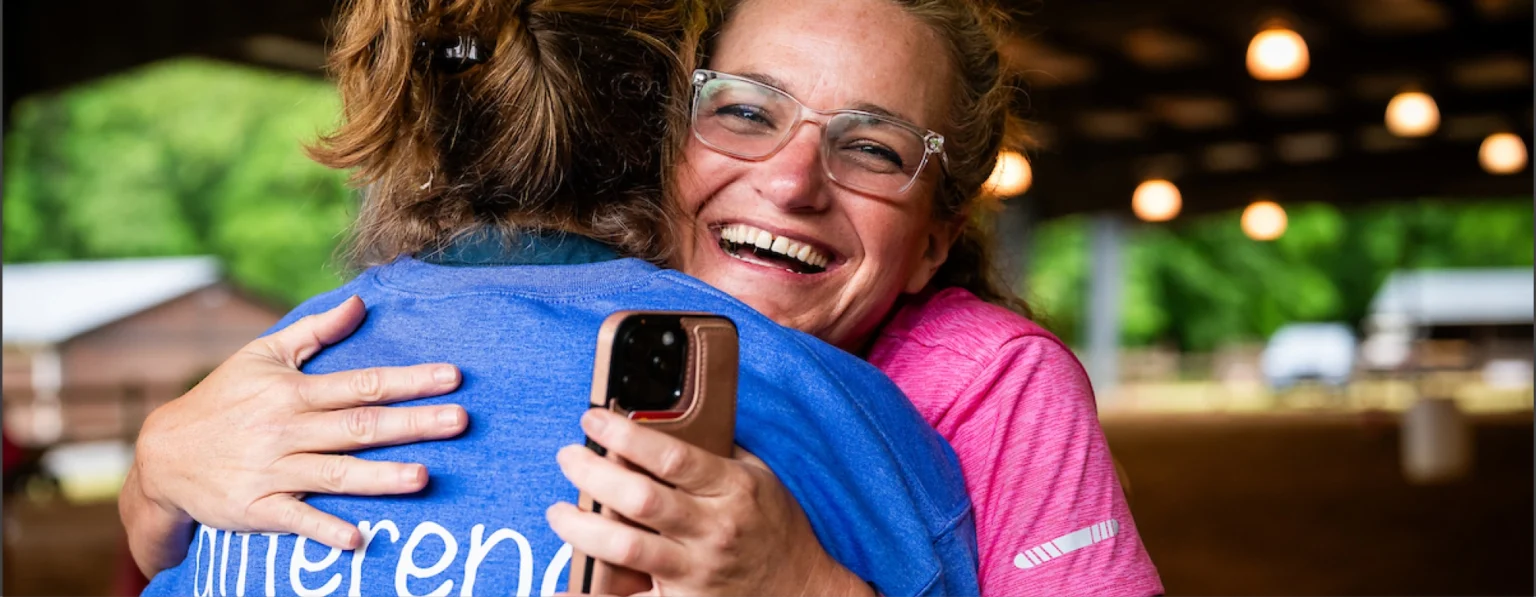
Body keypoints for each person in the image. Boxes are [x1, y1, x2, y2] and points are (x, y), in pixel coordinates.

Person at [124, 0, 1164, 594]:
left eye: (876, 147)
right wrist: (161, 459)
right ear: (655, 132)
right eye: (746, 112)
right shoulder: (514, 323)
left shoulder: (991, 382)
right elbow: (155, 544)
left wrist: (803, 584)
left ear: (938, 236)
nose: (795, 182)